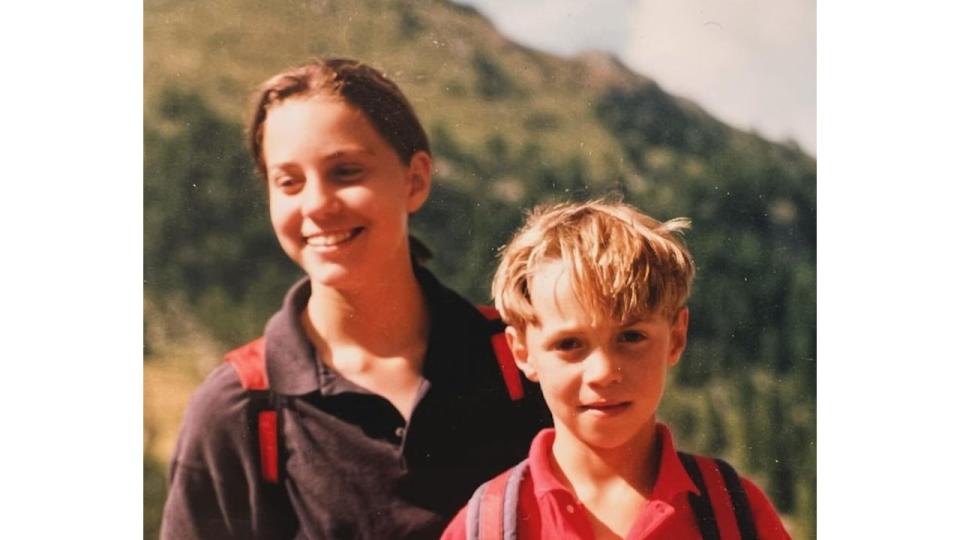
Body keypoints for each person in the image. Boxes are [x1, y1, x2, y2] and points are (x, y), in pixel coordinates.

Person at [160, 58, 550, 540]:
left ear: (416, 179)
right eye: (289, 182)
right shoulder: (238, 411)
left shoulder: (528, 362)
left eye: (345, 171)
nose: (317, 204)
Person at [441, 200, 791, 539]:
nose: (603, 372)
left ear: (676, 337)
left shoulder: (736, 515)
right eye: (569, 344)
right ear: (522, 351)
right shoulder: (485, 528)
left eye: (631, 336)